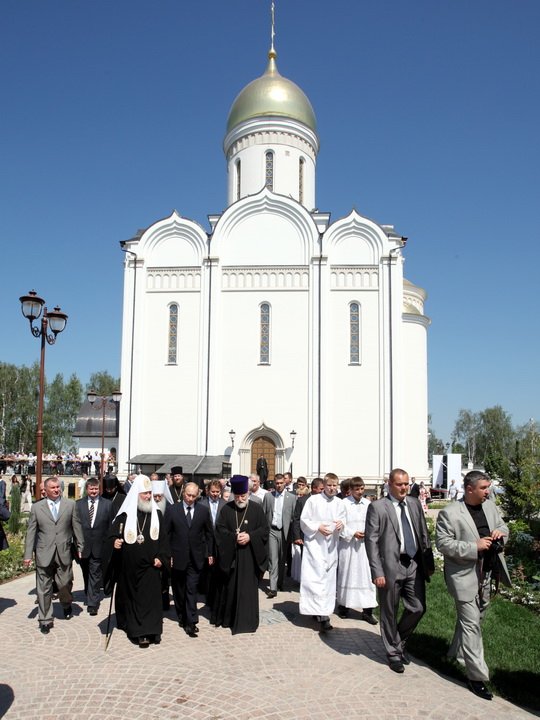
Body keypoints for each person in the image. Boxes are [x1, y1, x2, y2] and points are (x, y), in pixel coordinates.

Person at [436, 470, 511, 701]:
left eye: (488, 487)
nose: (488, 491)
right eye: (484, 488)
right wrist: (473, 547)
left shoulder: (489, 506)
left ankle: (454, 653)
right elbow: (443, 544)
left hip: (488, 574)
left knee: (475, 619)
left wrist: (501, 534)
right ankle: (476, 677)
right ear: (470, 489)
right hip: (463, 577)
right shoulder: (450, 513)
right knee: (471, 625)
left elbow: (503, 527)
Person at [365, 467, 434, 673]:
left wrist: (427, 564)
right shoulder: (378, 507)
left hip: (413, 564)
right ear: (390, 484)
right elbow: (372, 541)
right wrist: (377, 572)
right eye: (399, 484)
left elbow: (423, 534)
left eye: (406, 484)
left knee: (417, 607)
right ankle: (393, 654)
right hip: (390, 567)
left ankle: (398, 641)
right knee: (389, 611)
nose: (404, 488)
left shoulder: (414, 503)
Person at [104, 474, 170, 647]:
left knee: (151, 600)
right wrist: (115, 542)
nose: (148, 497)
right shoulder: (125, 515)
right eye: (144, 494)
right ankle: (139, 633)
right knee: (136, 601)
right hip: (131, 570)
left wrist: (161, 558)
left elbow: (164, 540)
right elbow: (111, 535)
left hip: (151, 568)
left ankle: (153, 630)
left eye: (149, 493)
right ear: (136, 494)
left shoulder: (156, 513)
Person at [23, 476, 84, 634]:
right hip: (44, 551)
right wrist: (27, 554)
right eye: (53, 488)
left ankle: (66, 603)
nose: (57, 490)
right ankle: (45, 619)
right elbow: (31, 532)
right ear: (46, 490)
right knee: (43, 587)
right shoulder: (37, 507)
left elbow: (76, 526)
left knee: (65, 583)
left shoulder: (70, 505)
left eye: (58, 487)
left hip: (63, 551)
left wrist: (80, 546)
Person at [213, 475, 268, 634]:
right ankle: (230, 619)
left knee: (247, 591)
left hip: (250, 558)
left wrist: (250, 536)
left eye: (243, 495)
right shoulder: (227, 509)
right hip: (233, 558)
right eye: (237, 496)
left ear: (248, 494)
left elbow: (264, 530)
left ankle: (248, 622)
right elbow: (220, 531)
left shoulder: (256, 509)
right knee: (231, 589)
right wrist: (234, 537)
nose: (240, 499)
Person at [299, 472, 346, 633]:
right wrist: (317, 527)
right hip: (315, 546)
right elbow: (304, 520)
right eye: (329, 485)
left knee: (328, 581)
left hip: (331, 547)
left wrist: (341, 525)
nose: (332, 488)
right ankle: (316, 611)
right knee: (314, 579)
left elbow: (343, 519)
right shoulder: (313, 500)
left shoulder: (340, 503)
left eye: (335, 486)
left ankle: (324, 613)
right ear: (324, 486)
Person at [165, 482, 214, 637]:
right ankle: (181, 614)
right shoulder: (172, 510)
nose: (191, 498)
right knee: (179, 590)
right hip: (177, 557)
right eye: (188, 495)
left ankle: (191, 621)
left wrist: (210, 553)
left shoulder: (203, 511)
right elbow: (166, 535)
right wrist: (168, 556)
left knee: (191, 589)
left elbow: (209, 534)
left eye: (194, 496)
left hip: (196, 557)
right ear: (183, 493)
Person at [337, 477, 378, 624]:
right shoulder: (343, 504)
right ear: (351, 490)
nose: (360, 492)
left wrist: (369, 533)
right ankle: (344, 606)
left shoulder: (368, 504)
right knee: (347, 574)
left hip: (364, 546)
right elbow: (339, 524)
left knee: (367, 576)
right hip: (349, 546)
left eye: (362, 489)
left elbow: (374, 522)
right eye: (356, 489)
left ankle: (368, 611)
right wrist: (352, 532)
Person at [76, 477, 113, 615]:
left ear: (99, 489)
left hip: (99, 546)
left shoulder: (107, 504)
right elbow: (75, 525)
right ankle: (89, 591)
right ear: (87, 489)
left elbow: (110, 525)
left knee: (95, 574)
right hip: (83, 547)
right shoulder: (78, 505)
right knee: (86, 573)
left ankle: (93, 603)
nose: (94, 491)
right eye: (91, 489)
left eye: (96, 489)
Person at [263, 473, 296, 598]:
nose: (279, 485)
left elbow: (294, 517)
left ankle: (280, 582)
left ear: (285, 483)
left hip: (285, 532)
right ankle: (273, 587)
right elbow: (263, 513)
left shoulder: (292, 498)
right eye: (277, 483)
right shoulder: (268, 496)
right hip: (272, 530)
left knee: (282, 559)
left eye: (281, 483)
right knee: (273, 558)